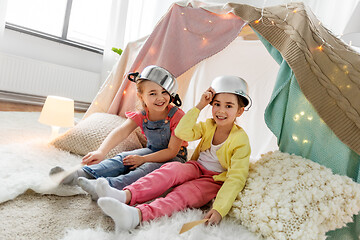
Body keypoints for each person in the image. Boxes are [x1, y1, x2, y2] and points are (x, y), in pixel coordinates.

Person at [81, 75, 252, 233]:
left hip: (213, 180)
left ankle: (136, 215)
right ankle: (123, 195)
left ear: (239, 111)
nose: (221, 111)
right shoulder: (208, 125)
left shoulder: (240, 140)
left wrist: (219, 209)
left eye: (228, 106)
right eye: (217, 104)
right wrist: (200, 106)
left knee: (183, 194)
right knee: (170, 170)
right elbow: (182, 132)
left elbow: (236, 178)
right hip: (195, 167)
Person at [50, 65, 188, 200]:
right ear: (141, 96)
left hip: (175, 158)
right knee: (123, 158)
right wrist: (101, 152)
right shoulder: (142, 114)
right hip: (152, 150)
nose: (160, 98)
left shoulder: (177, 116)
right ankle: (81, 174)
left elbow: (171, 151)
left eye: (164, 92)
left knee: (146, 168)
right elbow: (121, 132)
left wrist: (143, 159)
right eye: (153, 93)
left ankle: (106, 187)